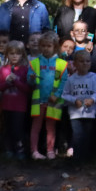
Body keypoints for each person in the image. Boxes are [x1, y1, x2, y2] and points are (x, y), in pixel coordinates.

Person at [29, 31, 68, 160]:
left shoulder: (61, 64)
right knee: (36, 126)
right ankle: (34, 151)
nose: (46, 48)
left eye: (49, 46)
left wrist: (57, 95)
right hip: (38, 101)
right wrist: (32, 79)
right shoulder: (34, 63)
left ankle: (50, 150)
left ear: (55, 47)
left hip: (53, 101)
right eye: (43, 46)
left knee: (51, 127)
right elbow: (29, 81)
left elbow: (64, 82)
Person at [62, 49, 96, 162]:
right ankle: (77, 157)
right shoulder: (71, 79)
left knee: (87, 134)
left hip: (90, 112)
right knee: (77, 134)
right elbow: (64, 94)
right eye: (81, 61)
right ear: (75, 63)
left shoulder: (93, 77)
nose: (85, 63)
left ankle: (85, 157)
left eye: (87, 61)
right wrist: (74, 100)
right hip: (75, 113)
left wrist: (92, 99)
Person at [0, 40, 32, 159]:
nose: (14, 56)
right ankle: (8, 149)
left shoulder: (25, 69)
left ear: (22, 54)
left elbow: (27, 89)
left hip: (20, 106)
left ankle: (20, 150)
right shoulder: (3, 69)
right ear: (7, 55)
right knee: (7, 128)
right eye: (11, 53)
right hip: (6, 105)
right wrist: (7, 82)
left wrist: (16, 81)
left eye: (17, 53)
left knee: (18, 128)